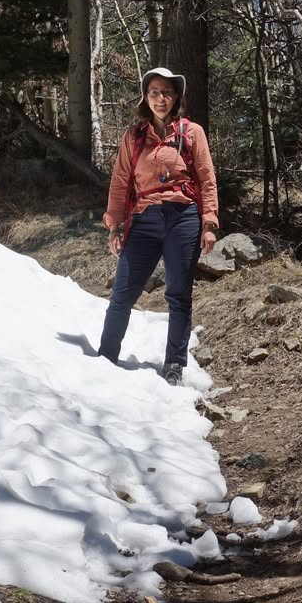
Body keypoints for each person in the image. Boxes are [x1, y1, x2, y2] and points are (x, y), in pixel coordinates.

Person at [97, 67, 219, 386]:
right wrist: (115, 226)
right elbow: (121, 182)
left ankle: (174, 366)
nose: (160, 98)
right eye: (154, 92)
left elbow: (206, 179)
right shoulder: (134, 137)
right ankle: (106, 358)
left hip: (184, 218)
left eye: (166, 92)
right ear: (145, 97)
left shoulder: (192, 133)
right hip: (144, 219)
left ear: (176, 96)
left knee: (179, 294)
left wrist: (209, 222)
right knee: (123, 293)